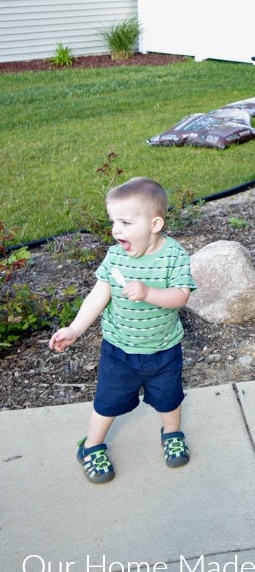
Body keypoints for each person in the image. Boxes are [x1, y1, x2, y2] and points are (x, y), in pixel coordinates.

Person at [48, 176, 196, 484]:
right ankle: (90, 447)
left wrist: (148, 292)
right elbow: (99, 294)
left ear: (155, 224)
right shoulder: (116, 256)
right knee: (108, 401)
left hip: (164, 350)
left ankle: (172, 434)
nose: (116, 230)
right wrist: (75, 329)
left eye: (126, 222)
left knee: (170, 398)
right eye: (113, 221)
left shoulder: (174, 256)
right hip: (119, 350)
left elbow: (181, 296)